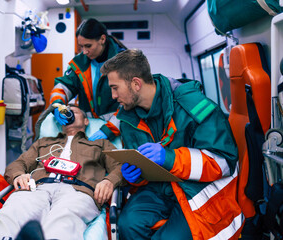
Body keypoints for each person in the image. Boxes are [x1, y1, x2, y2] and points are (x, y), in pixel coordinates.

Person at [101, 49, 243, 239]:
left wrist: (170, 158)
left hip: (197, 188)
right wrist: (133, 177)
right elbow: (142, 164)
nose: (113, 96)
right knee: (127, 225)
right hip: (158, 188)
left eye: (115, 87)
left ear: (136, 84)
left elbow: (224, 162)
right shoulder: (127, 118)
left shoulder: (194, 106)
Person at [0, 106, 123, 240]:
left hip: (78, 191)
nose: (68, 114)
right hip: (37, 188)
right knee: (13, 210)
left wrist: (109, 181)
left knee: (63, 218)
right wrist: (19, 175)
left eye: (74, 112)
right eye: (65, 112)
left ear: (86, 121)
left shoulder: (100, 144)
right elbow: (17, 164)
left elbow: (121, 166)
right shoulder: (43, 143)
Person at [50, 18, 126, 141]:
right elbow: (63, 87)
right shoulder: (79, 63)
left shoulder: (124, 63)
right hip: (89, 127)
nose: (84, 52)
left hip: (118, 130)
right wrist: (58, 105)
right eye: (81, 47)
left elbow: (129, 104)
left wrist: (108, 130)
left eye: (88, 46)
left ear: (102, 39)